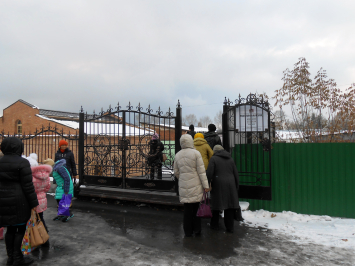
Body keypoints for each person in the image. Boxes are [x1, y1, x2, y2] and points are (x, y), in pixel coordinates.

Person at [0, 137, 38, 265]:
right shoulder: (22, 163)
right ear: (19, 148)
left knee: (9, 230)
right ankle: (18, 258)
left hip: (3, 200)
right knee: (20, 229)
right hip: (19, 200)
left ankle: (10, 257)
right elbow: (28, 186)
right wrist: (34, 203)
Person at [174, 134, 210, 237]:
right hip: (196, 186)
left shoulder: (178, 155)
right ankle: (197, 230)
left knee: (187, 210)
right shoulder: (196, 153)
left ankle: (187, 232)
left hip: (184, 186)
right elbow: (201, 172)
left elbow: (176, 171)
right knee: (196, 209)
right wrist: (206, 186)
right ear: (191, 141)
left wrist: (182, 178)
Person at [206, 145, 239, 233]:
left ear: (215, 151)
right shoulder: (230, 159)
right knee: (229, 206)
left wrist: (207, 183)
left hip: (218, 184)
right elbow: (235, 173)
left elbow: (209, 173)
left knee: (216, 205)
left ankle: (214, 225)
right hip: (230, 184)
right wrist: (236, 185)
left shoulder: (213, 159)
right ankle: (230, 227)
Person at [26, 154, 52, 247]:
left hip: (33, 201)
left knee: (32, 220)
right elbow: (47, 188)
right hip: (42, 200)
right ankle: (45, 237)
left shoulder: (30, 177)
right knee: (41, 219)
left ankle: (35, 238)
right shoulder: (45, 175)